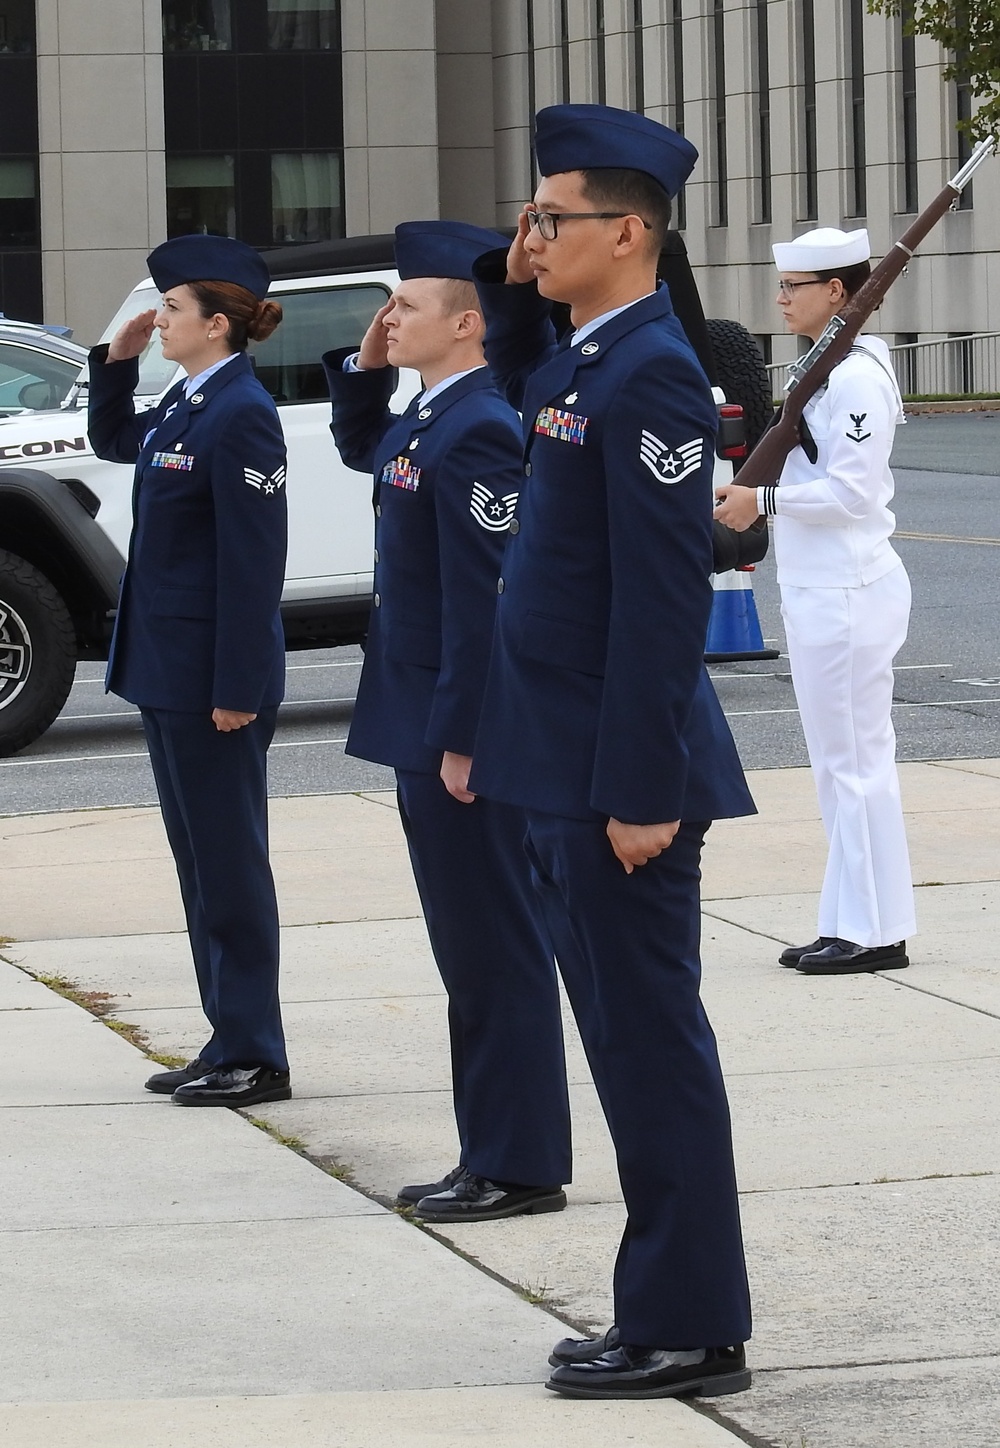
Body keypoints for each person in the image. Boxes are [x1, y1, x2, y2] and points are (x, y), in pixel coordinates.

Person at [468, 104, 755, 1400]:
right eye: (530, 217)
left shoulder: (648, 375)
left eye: (553, 216)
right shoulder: (588, 358)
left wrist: (640, 788)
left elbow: (661, 599)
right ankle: (659, 1307)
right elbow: (515, 343)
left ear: (627, 232)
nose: (531, 235)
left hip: (616, 780)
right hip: (561, 764)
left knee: (651, 1049)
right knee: (624, 1048)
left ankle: (693, 1324)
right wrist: (514, 256)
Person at [322, 221, 572, 1221]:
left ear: (468, 321)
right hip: (420, 716)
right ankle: (492, 1146)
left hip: (454, 727)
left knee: (492, 944)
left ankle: (517, 1159)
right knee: (464, 948)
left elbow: (487, 598)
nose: (390, 317)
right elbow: (360, 447)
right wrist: (365, 364)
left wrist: (468, 733)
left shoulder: (477, 426)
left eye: (408, 305)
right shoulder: (428, 418)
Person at [87, 233, 292, 1107]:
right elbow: (116, 444)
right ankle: (225, 1035)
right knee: (198, 864)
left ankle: (257, 1051)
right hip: (169, 667)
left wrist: (238, 689)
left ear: (217, 324)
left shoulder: (241, 411)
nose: (157, 319)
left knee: (230, 864)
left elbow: (255, 564)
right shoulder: (188, 399)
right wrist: (114, 364)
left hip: (213, 677)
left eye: (170, 310)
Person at [715, 227, 915, 975]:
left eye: (794, 285)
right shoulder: (829, 368)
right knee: (840, 766)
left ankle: (873, 931)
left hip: (848, 590)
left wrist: (761, 497)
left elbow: (852, 494)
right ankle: (851, 918)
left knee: (856, 764)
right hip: (823, 589)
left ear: (838, 292)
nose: (781, 297)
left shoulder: (857, 377)